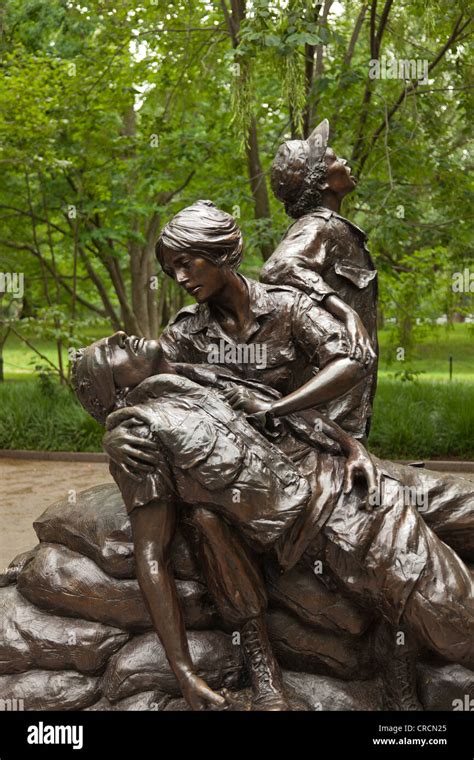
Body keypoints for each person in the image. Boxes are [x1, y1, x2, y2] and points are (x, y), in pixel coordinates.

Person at [92, 201, 474, 710]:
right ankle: (274, 664)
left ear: (220, 252)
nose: (179, 278)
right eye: (171, 269)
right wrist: (113, 434)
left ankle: (398, 655)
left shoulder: (287, 306)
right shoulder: (186, 335)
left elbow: (350, 360)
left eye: (188, 263)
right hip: (284, 488)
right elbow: (134, 387)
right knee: (208, 518)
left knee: (462, 505)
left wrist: (323, 430)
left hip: (331, 452)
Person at [261, 119, 378, 437]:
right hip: (326, 407)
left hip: (345, 402)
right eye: (336, 158)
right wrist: (345, 311)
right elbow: (278, 268)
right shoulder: (318, 226)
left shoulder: (337, 228)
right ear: (322, 180)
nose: (345, 162)